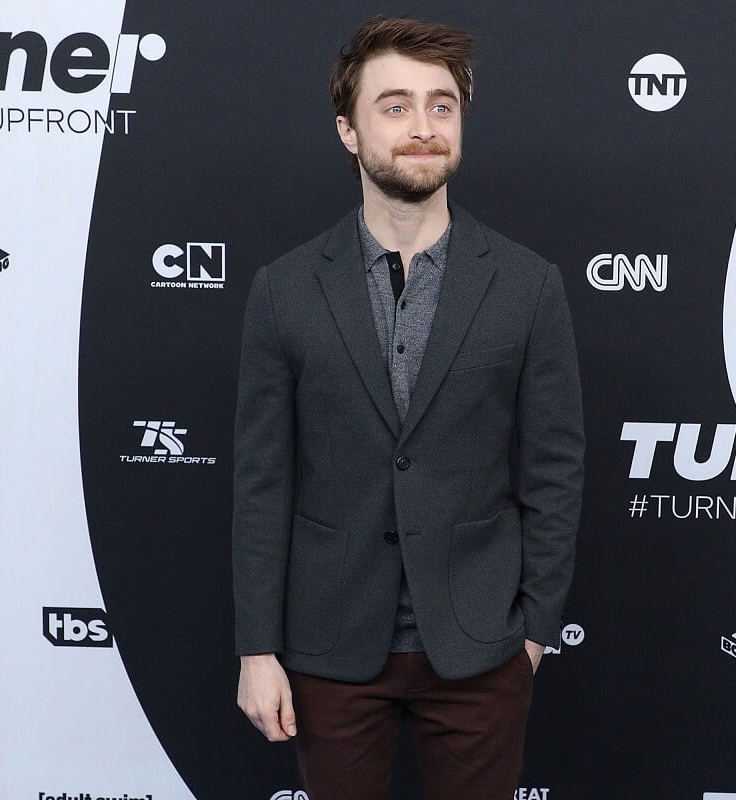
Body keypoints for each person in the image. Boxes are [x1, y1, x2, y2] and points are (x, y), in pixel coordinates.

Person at [232, 15, 584, 800]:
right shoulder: (284, 290)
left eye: (441, 105)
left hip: (481, 646)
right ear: (349, 132)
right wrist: (258, 650)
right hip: (330, 645)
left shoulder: (528, 286)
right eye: (394, 107)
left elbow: (554, 472)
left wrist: (533, 632)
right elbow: (262, 485)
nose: (423, 127)